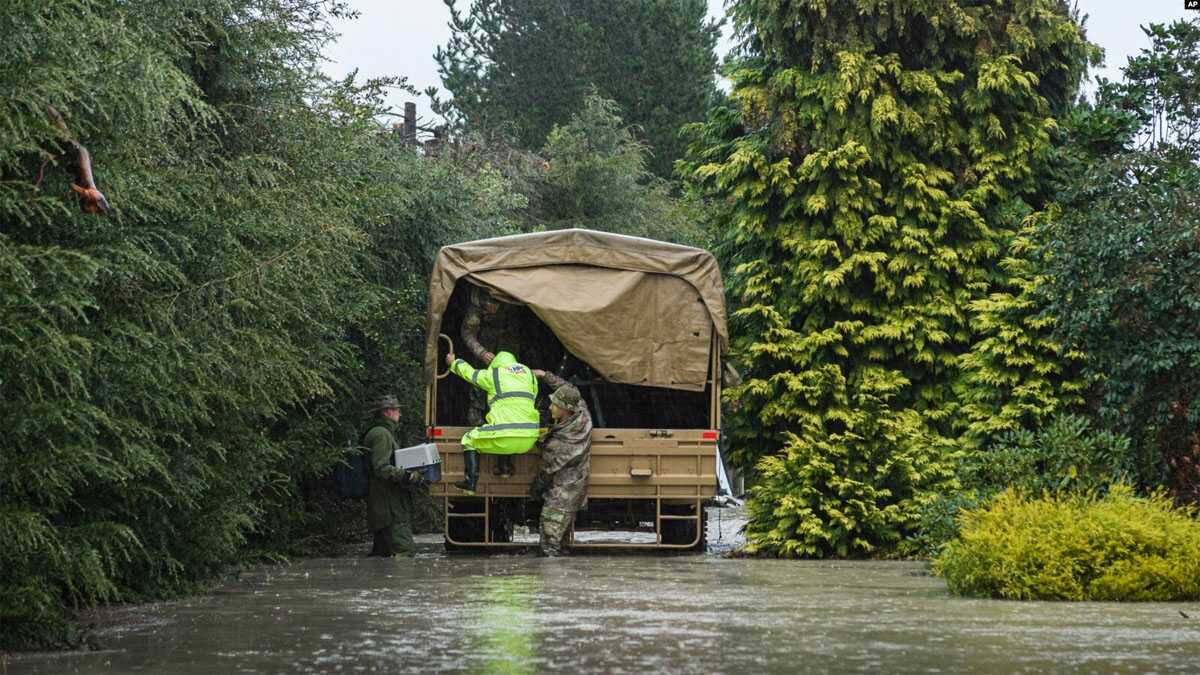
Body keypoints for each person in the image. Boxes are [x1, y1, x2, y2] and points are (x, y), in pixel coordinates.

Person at [445, 350, 540, 494]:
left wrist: (454, 363)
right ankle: (505, 469)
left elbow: (470, 374)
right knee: (504, 432)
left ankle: (470, 483)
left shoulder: (494, 375)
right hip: (530, 438)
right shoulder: (530, 376)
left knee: (470, 439)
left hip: (505, 436)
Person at [461, 287, 526, 478]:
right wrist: (481, 352)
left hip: (508, 359)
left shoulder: (512, 308)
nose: (491, 308)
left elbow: (518, 334)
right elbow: (467, 334)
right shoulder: (475, 310)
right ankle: (475, 465)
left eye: (495, 304)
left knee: (505, 412)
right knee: (477, 407)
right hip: (483, 359)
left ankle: (504, 462)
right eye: (489, 304)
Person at [528, 371, 592, 557]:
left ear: (565, 409)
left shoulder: (558, 445)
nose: (549, 408)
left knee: (549, 551)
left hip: (559, 499)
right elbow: (571, 389)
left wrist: (534, 492)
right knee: (560, 549)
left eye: (554, 405)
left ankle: (554, 585)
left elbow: (545, 474)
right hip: (574, 493)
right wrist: (545, 375)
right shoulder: (583, 415)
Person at [363, 394, 426, 557]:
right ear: (387, 412)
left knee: (382, 556)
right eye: (397, 410)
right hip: (390, 508)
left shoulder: (383, 433)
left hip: (385, 505)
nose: (400, 414)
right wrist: (408, 476)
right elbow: (381, 467)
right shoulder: (381, 435)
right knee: (404, 553)